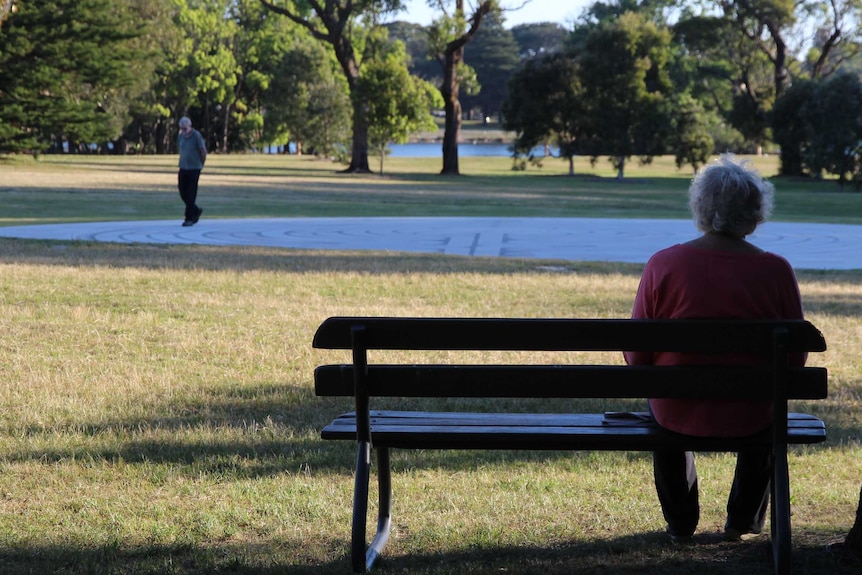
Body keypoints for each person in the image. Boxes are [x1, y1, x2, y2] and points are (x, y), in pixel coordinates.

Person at [624, 154, 805, 543]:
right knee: (769, 405)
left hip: (678, 409)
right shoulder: (777, 271)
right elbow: (795, 360)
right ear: (755, 213)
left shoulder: (663, 264)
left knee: (663, 402)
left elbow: (637, 355)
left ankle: (680, 520)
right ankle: (742, 521)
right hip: (752, 411)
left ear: (701, 207)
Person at [177, 116, 207, 226]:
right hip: (183, 167)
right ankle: (196, 210)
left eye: (185, 128)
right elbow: (180, 149)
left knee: (191, 193)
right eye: (181, 128)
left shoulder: (196, 136)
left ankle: (189, 218)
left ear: (190, 126)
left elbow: (203, 151)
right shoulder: (181, 136)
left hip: (194, 168)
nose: (183, 131)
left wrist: (201, 164)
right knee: (182, 191)